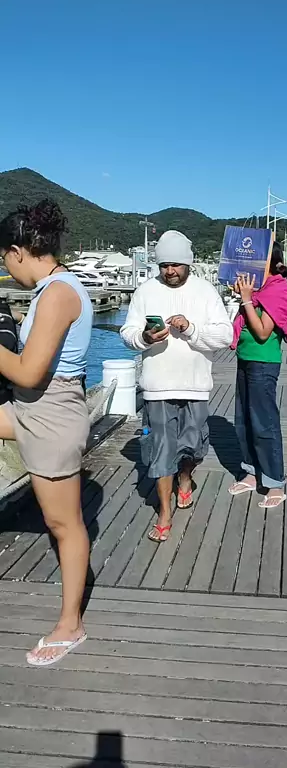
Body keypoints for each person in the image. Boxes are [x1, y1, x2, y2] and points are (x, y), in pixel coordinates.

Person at [0, 199, 93, 667]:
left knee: (63, 524)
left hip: (51, 412)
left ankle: (70, 624)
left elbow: (29, 371)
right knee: (62, 521)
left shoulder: (57, 294)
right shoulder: (52, 290)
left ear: (18, 251)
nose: (6, 268)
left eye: (4, 258)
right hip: (32, 407)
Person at [121, 230, 233, 542]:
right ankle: (164, 513)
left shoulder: (205, 291)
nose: (170, 271)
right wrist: (144, 337)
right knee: (161, 450)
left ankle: (185, 477)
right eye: (164, 265)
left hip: (195, 385)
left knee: (193, 446)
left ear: (188, 264)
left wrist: (191, 328)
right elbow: (127, 333)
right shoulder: (145, 291)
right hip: (157, 386)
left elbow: (225, 335)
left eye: (176, 265)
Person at [228, 242, 287, 507]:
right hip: (245, 358)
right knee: (244, 419)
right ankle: (251, 472)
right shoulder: (257, 289)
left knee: (264, 422)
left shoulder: (278, 290)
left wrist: (247, 299)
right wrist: (245, 296)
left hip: (263, 361)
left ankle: (274, 482)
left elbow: (262, 332)